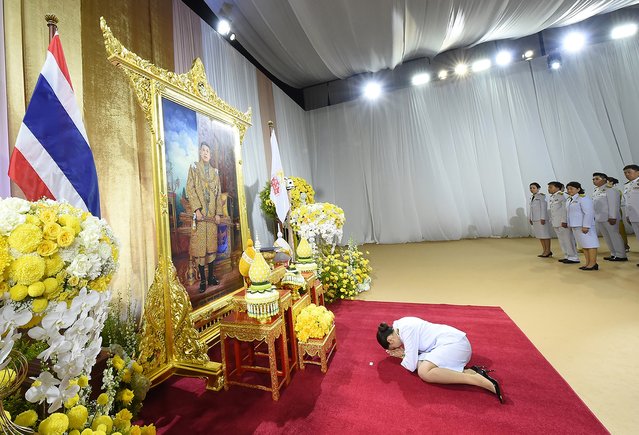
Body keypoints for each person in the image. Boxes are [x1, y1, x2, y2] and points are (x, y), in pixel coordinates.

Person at [376, 318, 503, 403]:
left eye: (395, 347)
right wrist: (406, 355)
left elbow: (411, 365)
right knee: (422, 367)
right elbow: (416, 357)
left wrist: (402, 356)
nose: (399, 347)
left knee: (424, 372)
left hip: (455, 345)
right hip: (448, 346)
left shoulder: (406, 331)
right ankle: (471, 372)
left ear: (390, 341)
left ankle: (476, 379)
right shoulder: (400, 325)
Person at [186, 141, 224, 292]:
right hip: (200, 217)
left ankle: (211, 277)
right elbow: (190, 189)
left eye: (208, 150)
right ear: (200, 153)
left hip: (211, 218)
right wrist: (196, 210)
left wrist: (218, 213)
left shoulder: (215, 173)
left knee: (211, 248)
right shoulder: (194, 169)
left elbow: (218, 193)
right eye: (203, 150)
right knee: (201, 248)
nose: (205, 153)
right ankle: (202, 280)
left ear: (210, 154)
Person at [592, 172, 627, 262]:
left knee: (614, 235)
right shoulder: (596, 190)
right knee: (607, 237)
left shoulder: (610, 189)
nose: (594, 181)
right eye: (593, 179)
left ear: (604, 179)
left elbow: (613, 204)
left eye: (597, 179)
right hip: (600, 217)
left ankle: (621, 255)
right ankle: (613, 253)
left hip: (609, 218)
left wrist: (613, 216)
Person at [566, 181, 599, 270]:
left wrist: (586, 226)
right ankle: (588, 263)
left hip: (584, 226)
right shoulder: (570, 199)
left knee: (590, 244)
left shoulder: (583, 199)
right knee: (584, 245)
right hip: (575, 225)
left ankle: (593, 264)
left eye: (571, 188)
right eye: (568, 189)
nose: (569, 190)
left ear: (578, 189)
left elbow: (588, 213)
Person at [547, 181, 579, 264]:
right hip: (556, 222)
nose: (549, 189)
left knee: (568, 239)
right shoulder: (552, 197)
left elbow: (566, 209)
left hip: (563, 222)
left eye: (551, 187)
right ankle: (567, 255)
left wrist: (564, 221)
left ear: (557, 187)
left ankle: (573, 257)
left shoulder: (563, 195)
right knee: (562, 240)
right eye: (548, 187)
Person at [607, 177, 630, 253]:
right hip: (607, 214)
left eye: (607, 181)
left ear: (611, 182)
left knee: (620, 230)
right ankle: (616, 247)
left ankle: (625, 245)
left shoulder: (616, 190)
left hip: (616, 212)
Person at [529, 182, 552, 257]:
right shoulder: (532, 197)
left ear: (538, 189)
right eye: (531, 188)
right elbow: (531, 209)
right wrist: (530, 218)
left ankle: (548, 250)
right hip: (535, 219)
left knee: (545, 235)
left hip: (541, 219)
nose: (532, 189)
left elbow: (543, 208)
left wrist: (543, 218)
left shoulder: (541, 196)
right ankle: (544, 250)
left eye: (533, 188)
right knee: (540, 236)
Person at [622, 164, 639, 267]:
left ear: (637, 172)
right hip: (634, 216)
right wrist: (627, 215)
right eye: (625, 173)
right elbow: (627, 202)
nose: (627, 174)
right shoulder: (627, 185)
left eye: (629, 172)